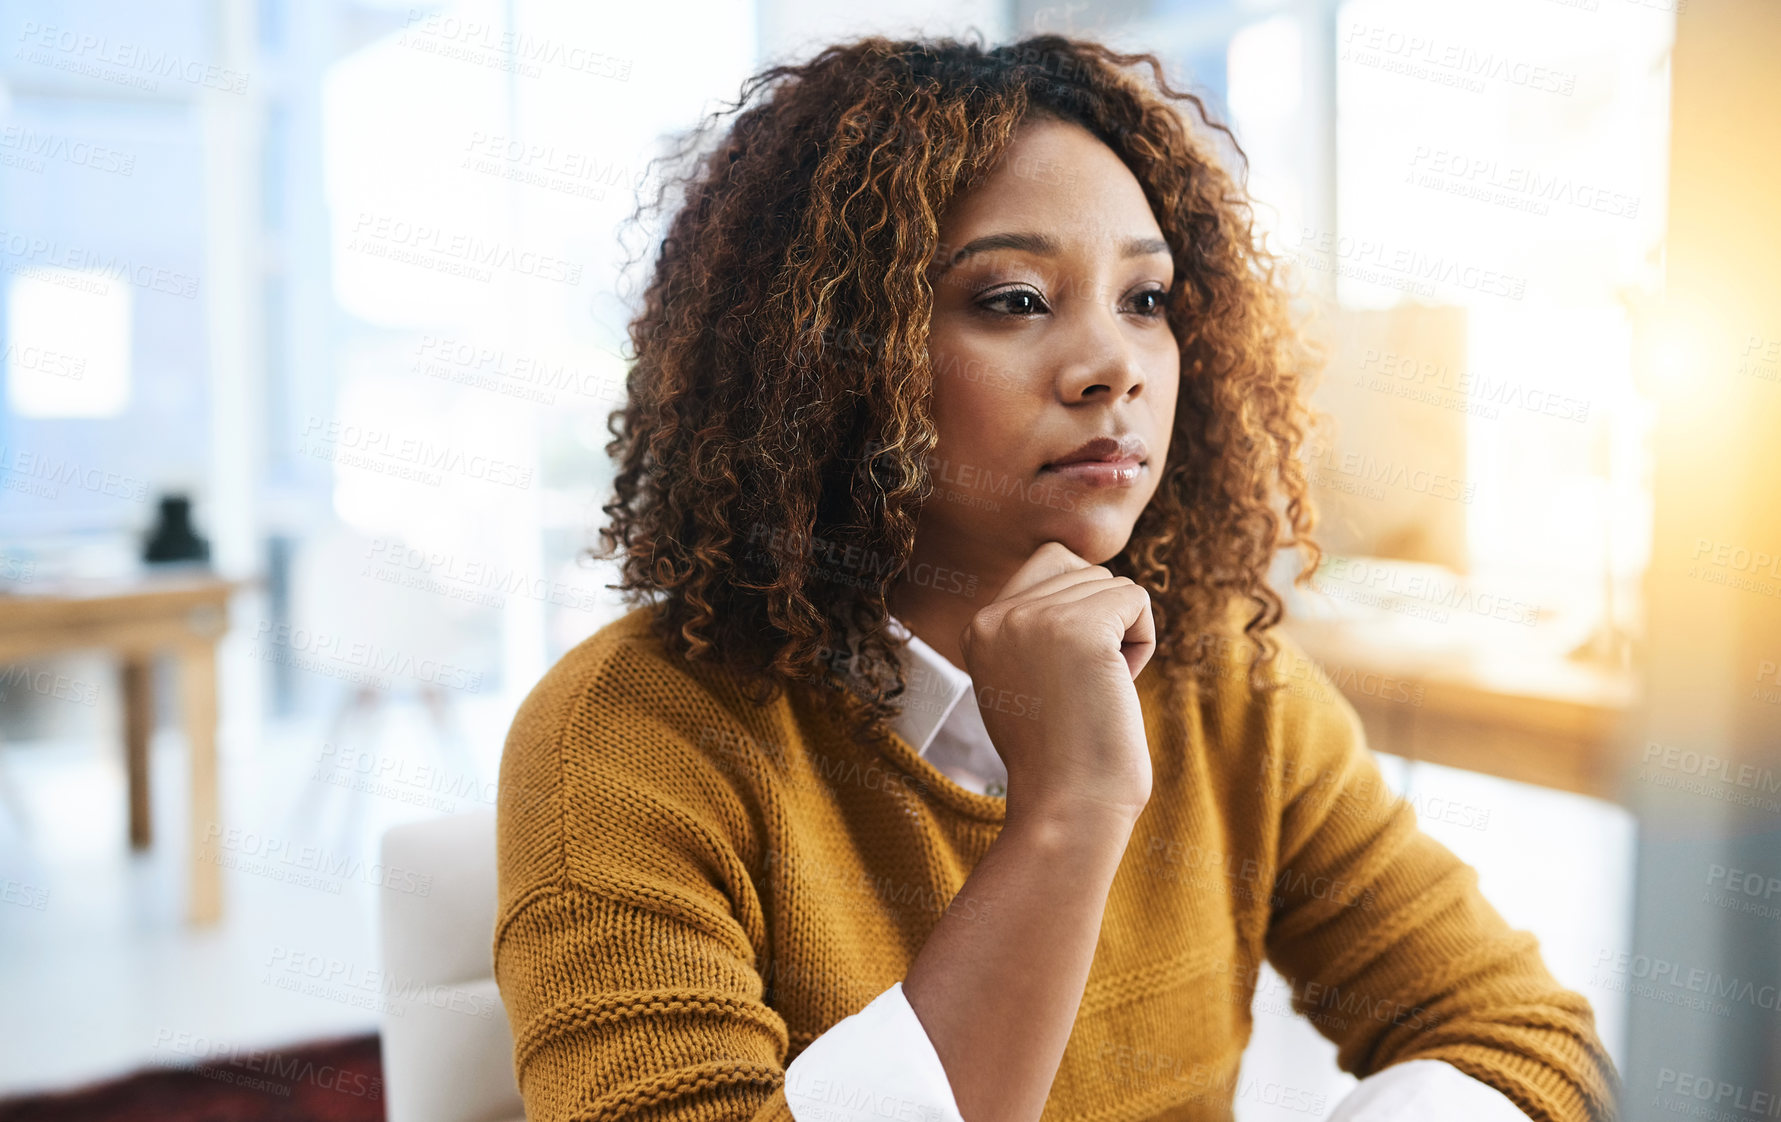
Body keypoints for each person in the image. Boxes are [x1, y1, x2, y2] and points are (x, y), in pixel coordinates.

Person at [491, 33, 1620, 1122]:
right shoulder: (630, 737)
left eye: (1145, 300)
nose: (1111, 367)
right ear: (829, 352)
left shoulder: (1226, 684)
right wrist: (1071, 812)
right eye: (1014, 300)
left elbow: (1524, 1041)